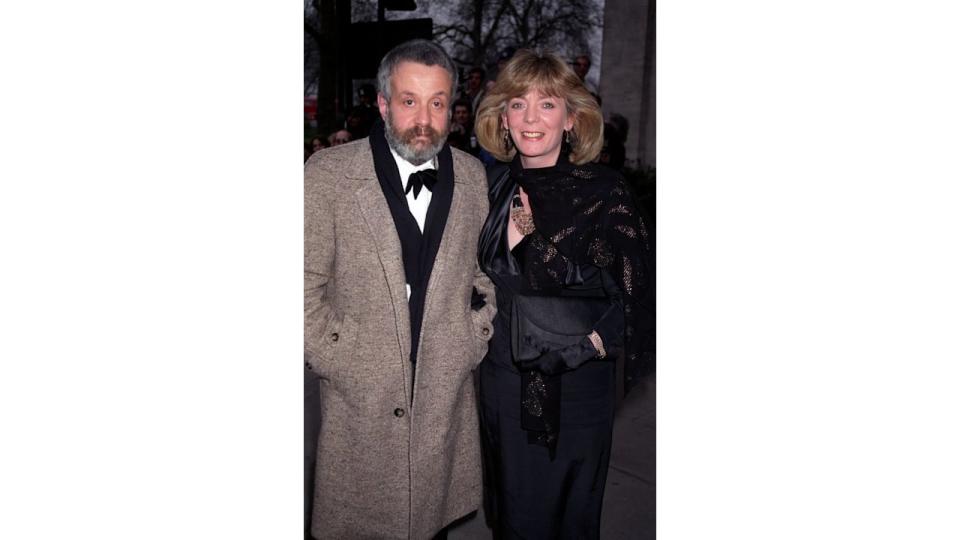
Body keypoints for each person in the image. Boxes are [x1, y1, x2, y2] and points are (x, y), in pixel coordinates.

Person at [305, 39, 497, 539]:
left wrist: (471, 336)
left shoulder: (474, 178)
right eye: (409, 100)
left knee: (431, 524)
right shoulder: (329, 175)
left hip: (442, 399)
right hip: (359, 401)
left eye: (437, 102)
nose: (424, 118)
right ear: (384, 103)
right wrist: (341, 358)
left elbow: (484, 274)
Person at [473, 49, 654, 539]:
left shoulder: (604, 192)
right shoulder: (485, 188)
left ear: (572, 118)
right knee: (512, 517)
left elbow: (638, 296)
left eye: (547, 104)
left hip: (576, 391)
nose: (531, 118)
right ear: (502, 119)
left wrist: (584, 349)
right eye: (517, 104)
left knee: (568, 521)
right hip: (501, 386)